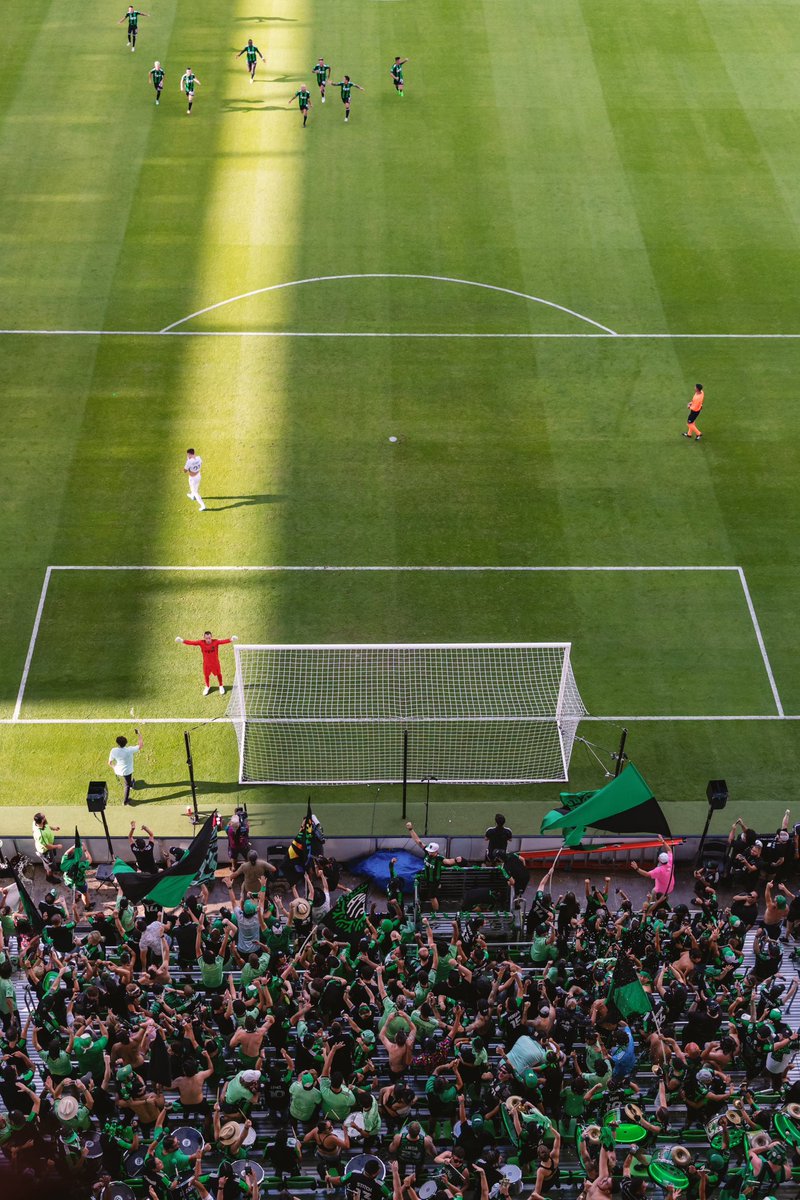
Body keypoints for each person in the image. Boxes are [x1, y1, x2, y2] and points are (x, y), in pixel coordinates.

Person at [176, 630, 239, 695]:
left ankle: (221, 686)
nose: (208, 640)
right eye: (206, 638)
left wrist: (231, 639)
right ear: (204, 638)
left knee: (218, 674)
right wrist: (182, 640)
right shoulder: (201, 643)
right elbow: (192, 643)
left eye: (209, 638)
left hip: (215, 663)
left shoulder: (216, 642)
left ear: (211, 637)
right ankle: (207, 686)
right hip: (206, 664)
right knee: (206, 675)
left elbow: (223, 641)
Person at [109, 729, 143, 805]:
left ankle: (131, 784)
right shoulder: (129, 750)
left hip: (118, 771)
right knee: (126, 785)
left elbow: (110, 763)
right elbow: (141, 746)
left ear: (117, 743)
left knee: (128, 780)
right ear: (126, 743)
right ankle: (125, 801)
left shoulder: (113, 750)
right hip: (127, 771)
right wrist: (139, 734)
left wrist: (114, 768)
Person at [32, 812, 63, 882]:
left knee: (52, 860)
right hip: (46, 851)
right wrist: (57, 846)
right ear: (42, 820)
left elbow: (47, 826)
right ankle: (49, 878)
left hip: (49, 846)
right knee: (49, 866)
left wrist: (53, 828)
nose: (45, 818)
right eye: (44, 817)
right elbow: (48, 847)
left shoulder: (37, 823)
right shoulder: (40, 834)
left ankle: (53, 866)